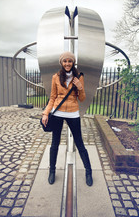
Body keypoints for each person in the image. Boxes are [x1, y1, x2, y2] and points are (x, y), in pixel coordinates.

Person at [41, 51, 93, 186]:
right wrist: (46, 113)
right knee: (55, 143)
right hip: (57, 113)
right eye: (65, 61)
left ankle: (89, 171)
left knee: (80, 144)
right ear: (61, 63)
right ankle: (52, 171)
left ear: (73, 62)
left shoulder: (79, 77)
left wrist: (80, 88)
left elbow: (82, 99)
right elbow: (52, 97)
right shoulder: (56, 77)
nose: (67, 63)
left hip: (73, 113)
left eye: (70, 61)